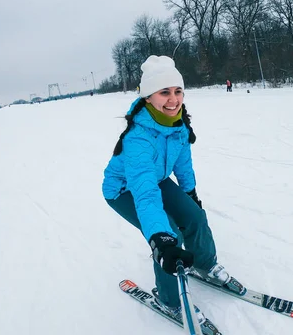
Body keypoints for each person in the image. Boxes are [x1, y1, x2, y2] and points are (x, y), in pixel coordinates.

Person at [102, 55, 241, 322]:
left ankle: (204, 264)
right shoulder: (138, 140)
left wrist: (190, 195)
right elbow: (145, 195)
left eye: (178, 91)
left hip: (156, 178)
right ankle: (168, 299)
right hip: (124, 190)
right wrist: (160, 239)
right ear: (148, 97)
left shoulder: (178, 125)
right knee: (169, 234)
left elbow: (183, 164)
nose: (173, 99)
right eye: (164, 92)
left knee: (195, 217)